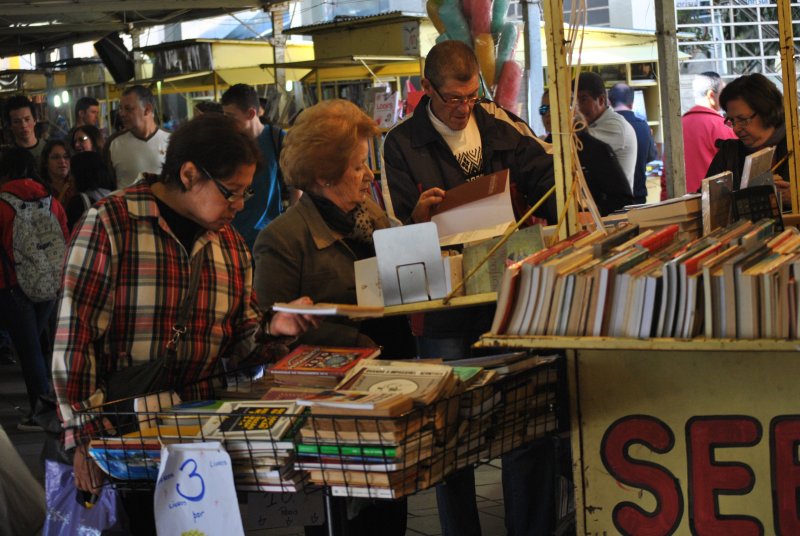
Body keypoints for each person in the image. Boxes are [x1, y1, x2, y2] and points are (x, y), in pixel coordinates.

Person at [52, 113, 316, 534]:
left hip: (204, 444)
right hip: (126, 441)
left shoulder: (229, 244)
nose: (241, 206)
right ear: (189, 174)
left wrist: (273, 328)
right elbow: (75, 339)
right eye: (231, 193)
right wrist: (85, 440)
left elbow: (240, 341)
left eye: (246, 194)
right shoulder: (110, 224)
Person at [381, 39, 557, 536]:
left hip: (509, 296)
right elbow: (390, 228)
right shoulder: (400, 143)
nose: (463, 109)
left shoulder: (501, 128)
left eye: (471, 97)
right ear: (426, 88)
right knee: (450, 437)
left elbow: (549, 176)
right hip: (444, 305)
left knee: (527, 423)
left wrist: (566, 191)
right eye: (452, 99)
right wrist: (416, 217)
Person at [254, 97, 412, 536]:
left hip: (390, 391)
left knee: (390, 513)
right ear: (323, 176)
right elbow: (267, 332)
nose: (370, 175)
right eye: (359, 166)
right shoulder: (282, 239)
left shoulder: (373, 220)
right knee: (341, 523)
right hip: (331, 413)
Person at [0, 148, 68, 432]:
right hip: (48, 285)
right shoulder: (51, 200)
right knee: (39, 349)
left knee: (28, 352)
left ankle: (43, 414)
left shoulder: (2, 202)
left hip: (12, 285)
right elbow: (64, 234)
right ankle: (52, 406)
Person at [540, 92, 633, 215]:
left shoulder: (595, 149)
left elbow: (622, 199)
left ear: (572, 110)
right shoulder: (542, 152)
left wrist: (591, 214)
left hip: (591, 227)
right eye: (544, 109)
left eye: (554, 108)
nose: (548, 114)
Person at [221, 83, 289, 251]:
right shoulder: (228, 143)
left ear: (251, 113)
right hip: (233, 236)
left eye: (231, 117)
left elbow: (296, 187)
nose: (227, 123)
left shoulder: (278, 139)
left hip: (269, 236)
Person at [705, 72, 790, 197]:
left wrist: (795, 198)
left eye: (743, 119)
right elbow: (706, 202)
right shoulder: (728, 154)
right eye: (732, 121)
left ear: (766, 111)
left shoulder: (795, 144)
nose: (736, 129)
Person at [575, 72, 638, 193]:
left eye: (583, 99)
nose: (578, 108)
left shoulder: (615, 126)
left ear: (601, 100)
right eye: (573, 102)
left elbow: (575, 146)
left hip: (614, 210)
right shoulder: (593, 123)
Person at [105, 85, 170, 189]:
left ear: (147, 109)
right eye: (120, 109)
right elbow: (108, 186)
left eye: (128, 109)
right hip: (126, 204)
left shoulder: (172, 140)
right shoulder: (113, 143)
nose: (122, 114)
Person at [682, 72, 737, 193]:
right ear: (711, 95)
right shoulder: (723, 127)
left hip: (679, 203)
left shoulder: (678, 126)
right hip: (711, 202)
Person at [608, 82, 658, 204]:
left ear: (609, 101)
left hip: (612, 200)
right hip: (638, 196)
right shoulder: (644, 127)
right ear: (631, 103)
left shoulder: (605, 127)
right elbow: (651, 156)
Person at [63, 151, 116, 230]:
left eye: (72, 173)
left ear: (81, 174)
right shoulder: (115, 197)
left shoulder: (79, 202)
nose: (69, 178)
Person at [5, 95, 44, 164]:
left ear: (34, 120)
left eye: (27, 119)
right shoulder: (7, 157)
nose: (23, 125)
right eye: (17, 122)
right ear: (10, 125)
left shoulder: (49, 149)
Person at [39, 139, 73, 205]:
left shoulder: (76, 185)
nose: (62, 161)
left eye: (66, 157)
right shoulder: (40, 188)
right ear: (45, 162)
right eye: (55, 157)